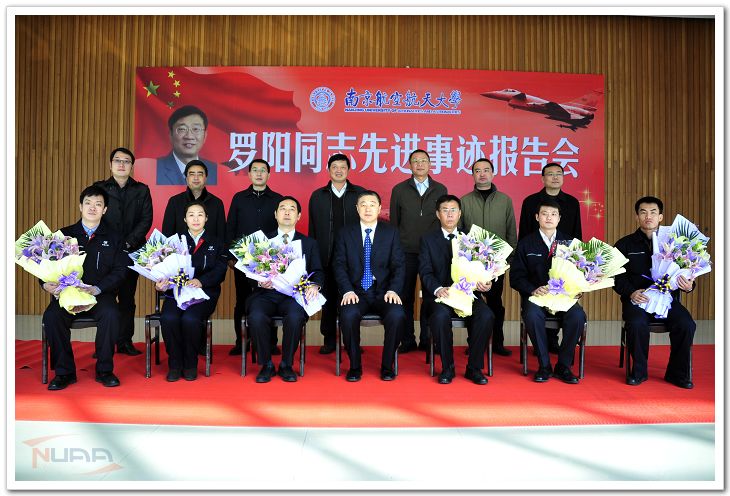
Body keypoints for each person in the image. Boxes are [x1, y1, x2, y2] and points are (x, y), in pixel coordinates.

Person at [42, 185, 128, 390]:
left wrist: (97, 289)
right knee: (52, 317)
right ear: (80, 206)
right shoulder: (63, 235)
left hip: (99, 295)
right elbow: (43, 264)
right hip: (67, 295)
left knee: (111, 314)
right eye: (88, 203)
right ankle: (64, 372)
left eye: (98, 204)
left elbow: (120, 271)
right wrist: (45, 284)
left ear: (104, 210)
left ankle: (104, 370)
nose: (92, 208)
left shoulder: (115, 238)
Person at [614, 196, 696, 388]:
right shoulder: (624, 245)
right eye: (643, 212)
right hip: (638, 299)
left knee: (686, 324)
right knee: (636, 323)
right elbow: (615, 277)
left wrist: (689, 285)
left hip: (667, 300)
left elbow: (688, 272)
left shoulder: (676, 245)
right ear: (637, 217)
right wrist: (631, 292)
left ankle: (677, 374)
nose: (648, 216)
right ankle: (639, 372)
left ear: (660, 217)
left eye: (653, 212)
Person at [246, 197, 324, 383]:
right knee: (256, 316)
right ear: (275, 214)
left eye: (292, 209)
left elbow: (319, 270)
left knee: (296, 317)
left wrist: (315, 285)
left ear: (299, 216)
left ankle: (286, 364)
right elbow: (248, 271)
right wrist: (260, 282)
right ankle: (266, 365)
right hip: (266, 294)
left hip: (293, 296)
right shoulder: (262, 241)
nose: (287, 212)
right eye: (282, 208)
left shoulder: (309, 243)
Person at [509, 199, 586, 384]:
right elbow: (516, 277)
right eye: (544, 214)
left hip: (564, 298)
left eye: (553, 214)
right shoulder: (526, 243)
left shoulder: (571, 244)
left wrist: (578, 289)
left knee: (578, 316)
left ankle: (564, 365)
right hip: (537, 297)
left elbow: (583, 273)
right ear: (537, 217)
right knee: (532, 315)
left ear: (559, 218)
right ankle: (544, 365)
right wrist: (533, 289)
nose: (549, 217)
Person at [420, 195, 494, 385]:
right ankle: (447, 367)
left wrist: (486, 282)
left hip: (468, 295)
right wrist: (438, 289)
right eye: (445, 210)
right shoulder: (427, 240)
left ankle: (474, 368)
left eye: (453, 210)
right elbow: (425, 272)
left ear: (460, 213)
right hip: (442, 297)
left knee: (486, 315)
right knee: (439, 317)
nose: (450, 214)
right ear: (438, 214)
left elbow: (484, 269)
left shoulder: (472, 240)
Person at [334, 191, 407, 382]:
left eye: (372, 204)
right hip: (356, 291)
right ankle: (355, 366)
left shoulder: (390, 233)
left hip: (383, 291)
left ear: (379, 208)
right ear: (357, 209)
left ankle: (387, 366)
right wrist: (347, 290)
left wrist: (393, 290)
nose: (368, 208)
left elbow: (399, 265)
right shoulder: (345, 233)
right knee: (348, 315)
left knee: (397, 315)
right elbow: (339, 265)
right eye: (363, 204)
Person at [155, 201, 227, 381]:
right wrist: (160, 283)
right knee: (168, 318)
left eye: (200, 215)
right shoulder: (173, 243)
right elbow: (162, 268)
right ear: (185, 219)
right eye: (191, 215)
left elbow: (220, 270)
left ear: (206, 218)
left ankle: (190, 363)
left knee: (190, 319)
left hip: (204, 294)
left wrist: (201, 281)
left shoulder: (216, 242)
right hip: (176, 292)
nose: (196, 219)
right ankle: (175, 364)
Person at [518, 162, 582, 354]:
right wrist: (528, 250)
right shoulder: (530, 201)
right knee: (535, 306)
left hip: (563, 259)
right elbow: (524, 231)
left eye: (558, 173)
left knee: (571, 311)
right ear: (543, 178)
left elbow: (577, 236)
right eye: (550, 174)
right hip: (535, 259)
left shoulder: (572, 202)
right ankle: (542, 347)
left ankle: (555, 346)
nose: (555, 177)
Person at [94, 147, 152, 356]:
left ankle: (125, 342)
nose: (121, 164)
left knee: (127, 298)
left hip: (131, 251)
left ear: (131, 166)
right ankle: (103, 345)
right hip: (104, 252)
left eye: (126, 161)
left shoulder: (141, 190)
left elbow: (146, 220)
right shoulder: (99, 188)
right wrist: (111, 245)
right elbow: (93, 217)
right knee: (104, 297)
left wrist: (128, 243)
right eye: (117, 160)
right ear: (110, 165)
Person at [389, 149, 447, 354]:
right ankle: (407, 340)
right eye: (415, 161)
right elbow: (394, 222)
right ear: (409, 165)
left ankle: (427, 339)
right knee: (405, 296)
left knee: (431, 295)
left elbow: (443, 221)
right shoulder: (399, 190)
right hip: (406, 251)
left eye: (423, 161)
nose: (420, 164)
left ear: (430, 164)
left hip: (432, 252)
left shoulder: (440, 189)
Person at [308, 153, 364, 355]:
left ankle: (352, 341)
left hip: (354, 258)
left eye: (343, 167)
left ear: (348, 170)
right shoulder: (318, 196)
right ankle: (329, 340)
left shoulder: (360, 194)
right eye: (335, 167)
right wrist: (313, 256)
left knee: (352, 299)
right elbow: (313, 229)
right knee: (329, 300)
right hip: (326, 256)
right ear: (328, 170)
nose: (339, 170)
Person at [226, 158, 284, 356]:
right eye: (255, 170)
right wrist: (231, 257)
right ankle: (241, 341)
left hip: (270, 262)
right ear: (249, 174)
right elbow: (230, 227)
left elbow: (282, 230)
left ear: (268, 174)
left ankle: (271, 342)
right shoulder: (239, 198)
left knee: (270, 298)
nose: (259, 174)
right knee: (242, 300)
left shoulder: (277, 199)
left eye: (263, 170)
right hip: (244, 261)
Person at [460, 158, 517, 357]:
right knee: (472, 303)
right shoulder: (464, 201)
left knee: (495, 303)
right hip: (471, 265)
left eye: (486, 170)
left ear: (493, 173)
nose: (482, 174)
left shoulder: (505, 200)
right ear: (473, 175)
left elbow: (511, 233)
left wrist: (506, 261)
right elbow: (460, 233)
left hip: (497, 265)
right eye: (477, 170)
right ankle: (474, 343)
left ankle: (498, 343)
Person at [161, 159, 226, 240]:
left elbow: (221, 235)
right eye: (192, 174)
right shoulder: (174, 202)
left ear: (205, 178)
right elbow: (167, 235)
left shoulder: (217, 203)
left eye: (200, 174)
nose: (196, 178)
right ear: (186, 178)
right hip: (180, 248)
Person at [157, 105, 218, 185]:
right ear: (171, 135)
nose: (189, 136)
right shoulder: (155, 169)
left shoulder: (215, 171)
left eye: (196, 129)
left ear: (205, 136)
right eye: (182, 129)